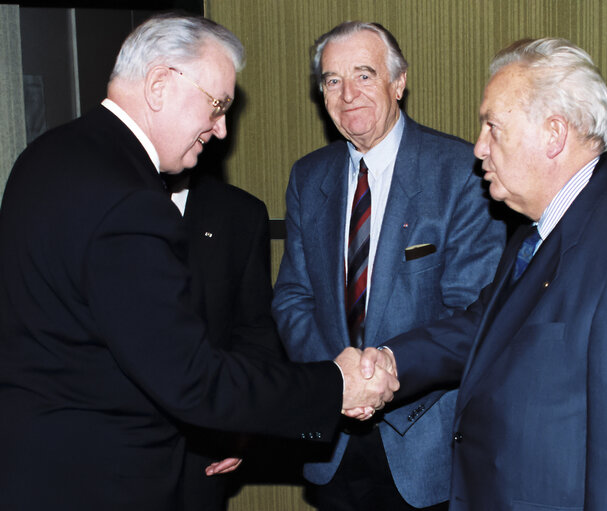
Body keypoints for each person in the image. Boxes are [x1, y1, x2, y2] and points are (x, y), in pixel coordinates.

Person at [0, 13, 398, 511]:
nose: (221, 128)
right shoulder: (129, 198)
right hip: (105, 482)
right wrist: (334, 385)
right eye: (217, 105)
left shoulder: (46, 155)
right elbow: (192, 378)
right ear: (160, 85)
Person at [360, 37, 607, 510]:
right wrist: (392, 361)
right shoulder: (535, 230)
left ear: (554, 134)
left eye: (493, 127)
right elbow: (486, 327)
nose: (478, 148)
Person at [272, 21, 505, 511]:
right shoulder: (307, 176)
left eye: (364, 75)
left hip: (423, 441)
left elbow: (473, 313)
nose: (348, 94)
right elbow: (293, 296)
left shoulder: (461, 172)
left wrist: (381, 378)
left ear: (398, 83)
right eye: (332, 81)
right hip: (330, 443)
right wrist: (338, 383)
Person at [166, 166, 286, 510]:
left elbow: (255, 332)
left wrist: (240, 421)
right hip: (104, 451)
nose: (217, 129)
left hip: (202, 452)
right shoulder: (99, 199)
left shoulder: (239, 213)